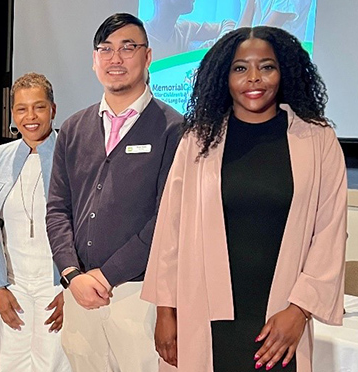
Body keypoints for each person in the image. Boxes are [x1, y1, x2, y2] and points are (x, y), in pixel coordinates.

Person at [141, 26, 346, 372]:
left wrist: (299, 311)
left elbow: (330, 232)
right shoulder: (198, 140)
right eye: (240, 68)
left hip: (280, 319)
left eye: (267, 66)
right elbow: (170, 232)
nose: (254, 78)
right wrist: (165, 311)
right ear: (224, 76)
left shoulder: (317, 139)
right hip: (205, 312)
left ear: (284, 72)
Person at [46, 13, 183, 372]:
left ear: (149, 56)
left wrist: (106, 276)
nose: (115, 58)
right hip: (79, 293)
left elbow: (168, 219)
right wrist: (72, 275)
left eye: (127, 47)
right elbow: (58, 209)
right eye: (105, 49)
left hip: (140, 295)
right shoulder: (74, 128)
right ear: (94, 61)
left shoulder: (174, 128)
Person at [0, 72, 71, 372]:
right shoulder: (0, 157)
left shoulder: (71, 155)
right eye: (21, 108)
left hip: (54, 285)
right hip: (14, 286)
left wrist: (70, 289)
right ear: (12, 113)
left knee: (55, 364)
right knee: (13, 365)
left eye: (39, 107)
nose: (30, 116)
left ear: (53, 110)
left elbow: (85, 227)